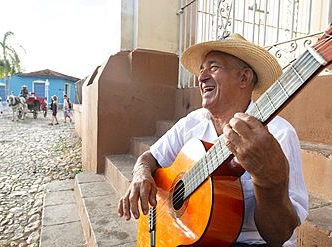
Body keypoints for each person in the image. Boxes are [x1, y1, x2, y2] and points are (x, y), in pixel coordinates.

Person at [117, 34, 308, 246]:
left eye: (213, 67)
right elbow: (150, 156)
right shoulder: (192, 122)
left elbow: (279, 234)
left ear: (244, 78)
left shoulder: (278, 134)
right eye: (201, 69)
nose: (201, 77)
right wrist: (141, 172)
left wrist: (268, 180)